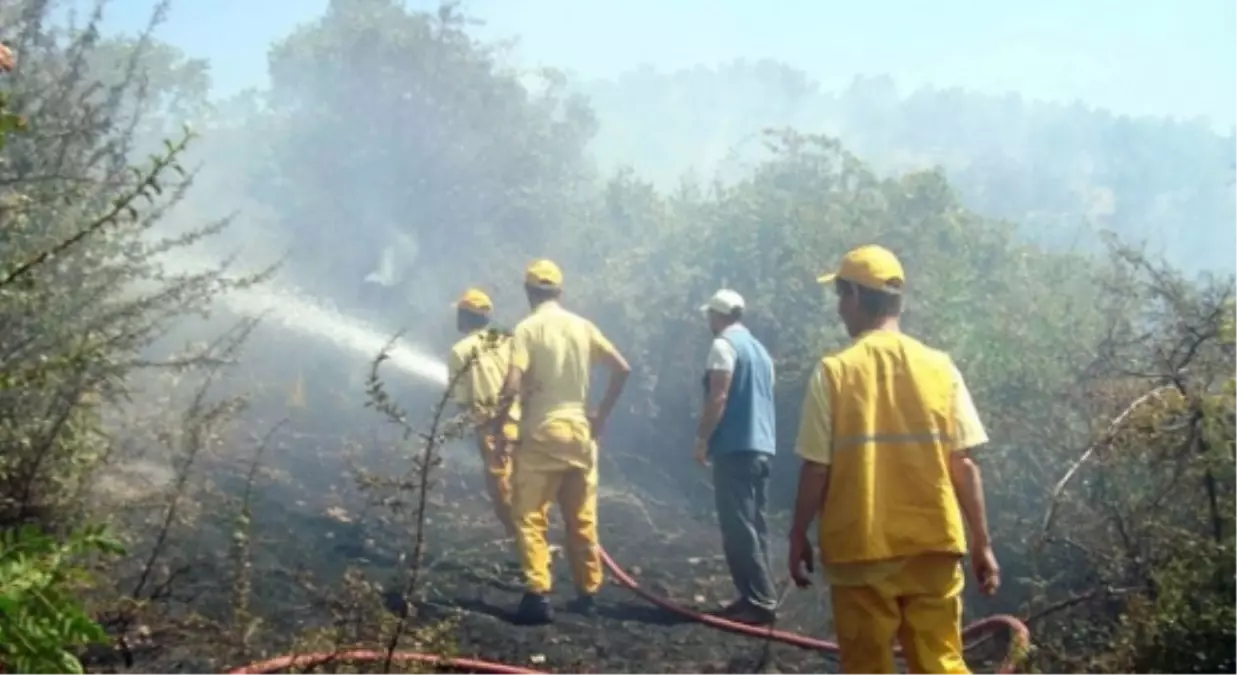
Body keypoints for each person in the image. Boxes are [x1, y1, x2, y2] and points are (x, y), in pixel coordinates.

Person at [788, 245, 1000, 675]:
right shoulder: (941, 368)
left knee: (868, 665)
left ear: (856, 298)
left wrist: (797, 534)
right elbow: (963, 463)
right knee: (942, 662)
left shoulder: (835, 372)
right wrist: (982, 541)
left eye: (840, 298)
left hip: (861, 550)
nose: (839, 311)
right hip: (934, 544)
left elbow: (816, 468)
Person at [493, 259, 630, 625]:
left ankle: (538, 593)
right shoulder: (583, 327)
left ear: (528, 292)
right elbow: (622, 368)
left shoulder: (527, 329)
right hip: (580, 437)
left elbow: (512, 382)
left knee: (529, 515)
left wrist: (500, 425)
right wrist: (600, 414)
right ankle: (589, 592)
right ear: (560, 292)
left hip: (541, 435)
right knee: (581, 518)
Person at [694, 289, 779, 625]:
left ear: (718, 316)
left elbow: (719, 396)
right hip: (763, 447)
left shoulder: (722, 346)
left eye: (709, 316)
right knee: (756, 524)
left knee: (738, 525)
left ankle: (760, 601)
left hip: (735, 446)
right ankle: (755, 595)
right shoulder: (761, 352)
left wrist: (702, 438)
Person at [447, 288, 520, 539]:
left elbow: (462, 401)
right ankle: (536, 542)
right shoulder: (508, 340)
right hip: (523, 422)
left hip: (493, 428)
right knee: (529, 486)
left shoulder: (460, 350)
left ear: (466, 316)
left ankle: (527, 547)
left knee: (503, 491)